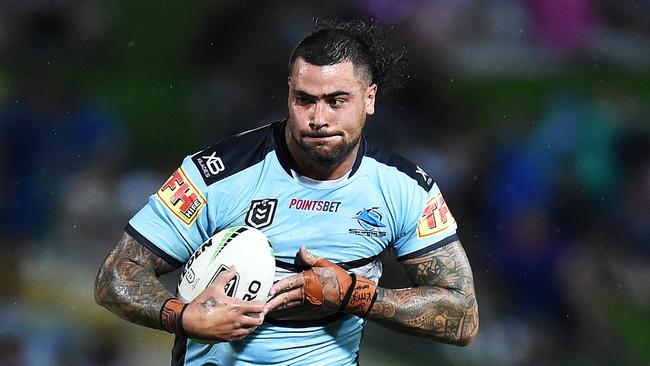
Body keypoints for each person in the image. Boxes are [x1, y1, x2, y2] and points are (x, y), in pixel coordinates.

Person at [95, 19, 478, 365]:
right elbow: (115, 274)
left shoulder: (406, 189)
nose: (318, 118)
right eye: (305, 99)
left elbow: (463, 317)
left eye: (337, 101)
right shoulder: (214, 175)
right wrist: (180, 316)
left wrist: (354, 295)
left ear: (370, 98)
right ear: (289, 94)